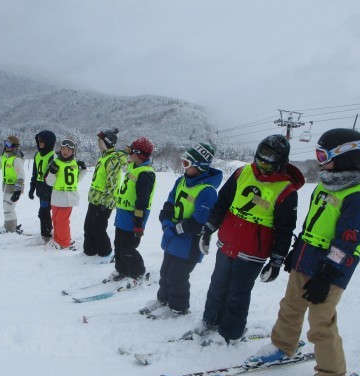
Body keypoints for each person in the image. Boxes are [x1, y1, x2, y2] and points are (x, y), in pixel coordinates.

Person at [246, 128, 360, 376]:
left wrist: (326, 274)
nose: (319, 161)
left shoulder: (358, 198)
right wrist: (296, 250)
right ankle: (283, 345)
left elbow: (347, 243)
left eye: (323, 156)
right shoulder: (325, 186)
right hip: (306, 257)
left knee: (320, 321)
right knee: (291, 305)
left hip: (332, 269)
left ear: (347, 158)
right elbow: (311, 224)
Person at [193, 134, 305, 345]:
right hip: (228, 242)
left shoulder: (286, 190)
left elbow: (284, 229)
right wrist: (208, 229)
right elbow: (223, 202)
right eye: (260, 161)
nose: (262, 167)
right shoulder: (243, 172)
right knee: (217, 285)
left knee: (238, 293)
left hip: (253, 251)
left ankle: (230, 333)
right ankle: (210, 320)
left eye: (268, 164)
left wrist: (277, 260)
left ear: (280, 163)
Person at [145, 142, 222, 317]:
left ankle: (179, 307)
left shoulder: (207, 191)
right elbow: (170, 203)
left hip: (190, 243)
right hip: (173, 238)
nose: (184, 166)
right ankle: (163, 299)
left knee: (177, 277)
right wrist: (165, 221)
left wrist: (175, 229)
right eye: (183, 161)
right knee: (165, 272)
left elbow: (198, 221)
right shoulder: (181, 181)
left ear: (200, 166)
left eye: (187, 163)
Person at [105, 137, 156, 285]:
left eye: (131, 151)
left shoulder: (146, 174)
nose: (129, 153)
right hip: (122, 214)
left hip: (134, 217)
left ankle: (137, 273)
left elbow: (142, 201)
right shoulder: (133, 167)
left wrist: (138, 223)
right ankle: (121, 270)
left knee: (128, 248)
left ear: (139, 154)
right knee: (118, 245)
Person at [83, 128, 127, 260]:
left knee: (98, 228)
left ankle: (105, 253)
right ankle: (90, 250)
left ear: (107, 143)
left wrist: (104, 202)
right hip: (95, 198)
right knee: (88, 226)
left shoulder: (112, 160)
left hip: (104, 201)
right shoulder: (104, 157)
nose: (98, 144)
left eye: (100, 142)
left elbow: (112, 184)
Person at [44, 138, 86, 249]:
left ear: (73, 151)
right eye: (63, 148)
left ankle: (64, 243)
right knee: (55, 219)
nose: (65, 151)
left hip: (68, 197)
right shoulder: (55, 162)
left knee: (62, 220)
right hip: (57, 196)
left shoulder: (74, 163)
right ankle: (57, 239)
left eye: (68, 149)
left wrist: (83, 170)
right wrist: (52, 172)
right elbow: (49, 182)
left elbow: (76, 180)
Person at [0, 135, 25, 233]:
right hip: (6, 186)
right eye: (5, 143)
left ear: (14, 147)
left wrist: (17, 191)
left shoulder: (16, 160)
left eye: (8, 144)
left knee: (8, 208)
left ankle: (10, 228)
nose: (6, 146)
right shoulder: (4, 157)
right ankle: (10, 226)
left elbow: (21, 176)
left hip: (15, 187)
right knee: (7, 207)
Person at [28, 130, 56, 241]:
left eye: (42, 141)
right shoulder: (37, 155)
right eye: (38, 141)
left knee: (43, 212)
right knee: (45, 211)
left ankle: (46, 234)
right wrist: (32, 188)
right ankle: (48, 231)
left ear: (49, 142)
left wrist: (47, 189)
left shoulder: (52, 156)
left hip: (49, 188)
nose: (39, 143)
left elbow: (51, 175)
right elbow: (35, 173)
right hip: (40, 188)